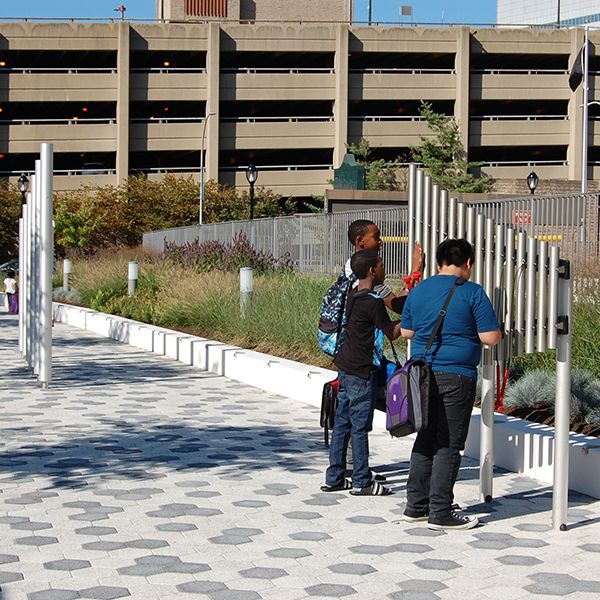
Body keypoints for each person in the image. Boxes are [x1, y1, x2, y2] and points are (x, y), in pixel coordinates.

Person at [400, 239, 501, 530]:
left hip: (420, 375)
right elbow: (490, 338)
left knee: (425, 438)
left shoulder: (419, 291)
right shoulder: (472, 292)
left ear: (437, 262)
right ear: (468, 263)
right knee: (448, 444)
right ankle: (440, 512)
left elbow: (407, 331)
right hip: (456, 376)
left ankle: (416, 506)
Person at [322, 250, 403, 496]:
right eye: (381, 265)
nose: (384, 270)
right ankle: (361, 481)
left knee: (342, 423)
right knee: (359, 427)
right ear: (372, 271)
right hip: (361, 370)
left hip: (345, 365)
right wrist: (411, 321)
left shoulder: (354, 296)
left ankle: (335, 477)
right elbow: (391, 332)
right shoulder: (373, 301)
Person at [345, 219, 423, 315]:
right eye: (376, 237)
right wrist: (414, 270)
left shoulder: (351, 264)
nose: (380, 241)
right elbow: (398, 306)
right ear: (360, 240)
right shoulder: (366, 274)